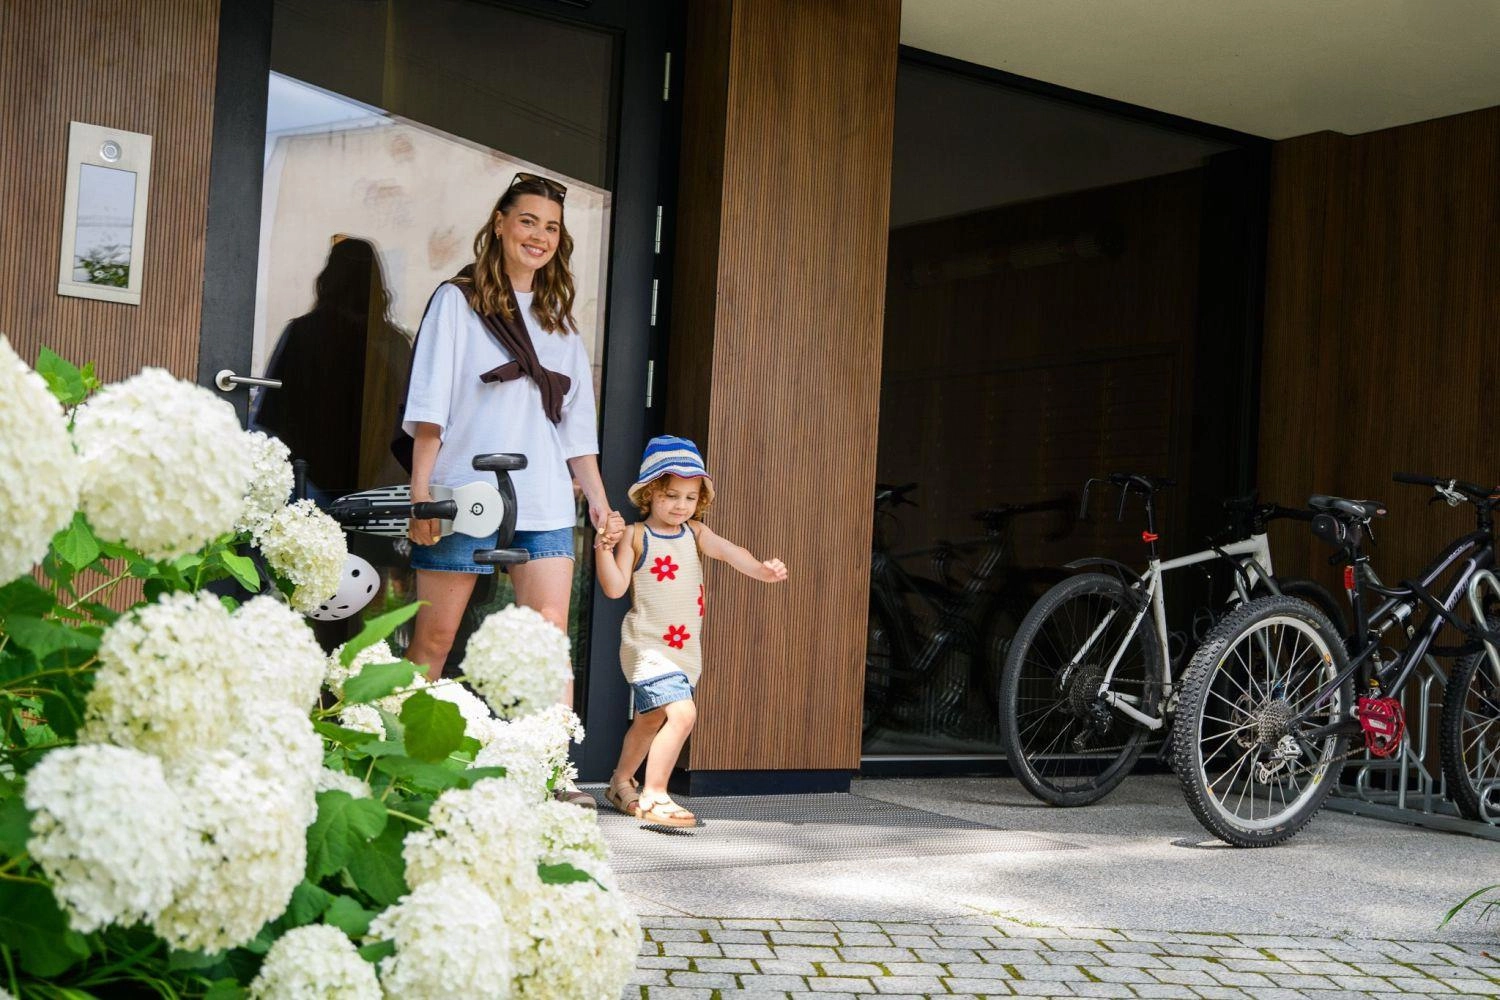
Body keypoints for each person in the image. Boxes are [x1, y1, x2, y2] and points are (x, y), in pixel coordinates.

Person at [401, 173, 614, 807]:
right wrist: (421, 493)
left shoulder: (560, 322)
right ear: (500, 224)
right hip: (464, 492)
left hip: (543, 495)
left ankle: (552, 774)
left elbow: (577, 430)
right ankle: (399, 768)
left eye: (551, 227)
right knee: (435, 639)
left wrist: (600, 504)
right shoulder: (457, 301)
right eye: (528, 221)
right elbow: (430, 404)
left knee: (548, 638)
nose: (539, 236)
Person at [595, 436, 788, 826]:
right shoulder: (636, 535)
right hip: (648, 647)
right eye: (670, 495)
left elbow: (731, 552)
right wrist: (603, 548)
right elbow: (615, 588)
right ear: (650, 493)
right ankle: (655, 794)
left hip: (682, 650)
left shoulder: (695, 533)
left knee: (650, 719)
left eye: (689, 497)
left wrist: (761, 570)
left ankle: (619, 782)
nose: (680, 505)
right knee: (683, 714)